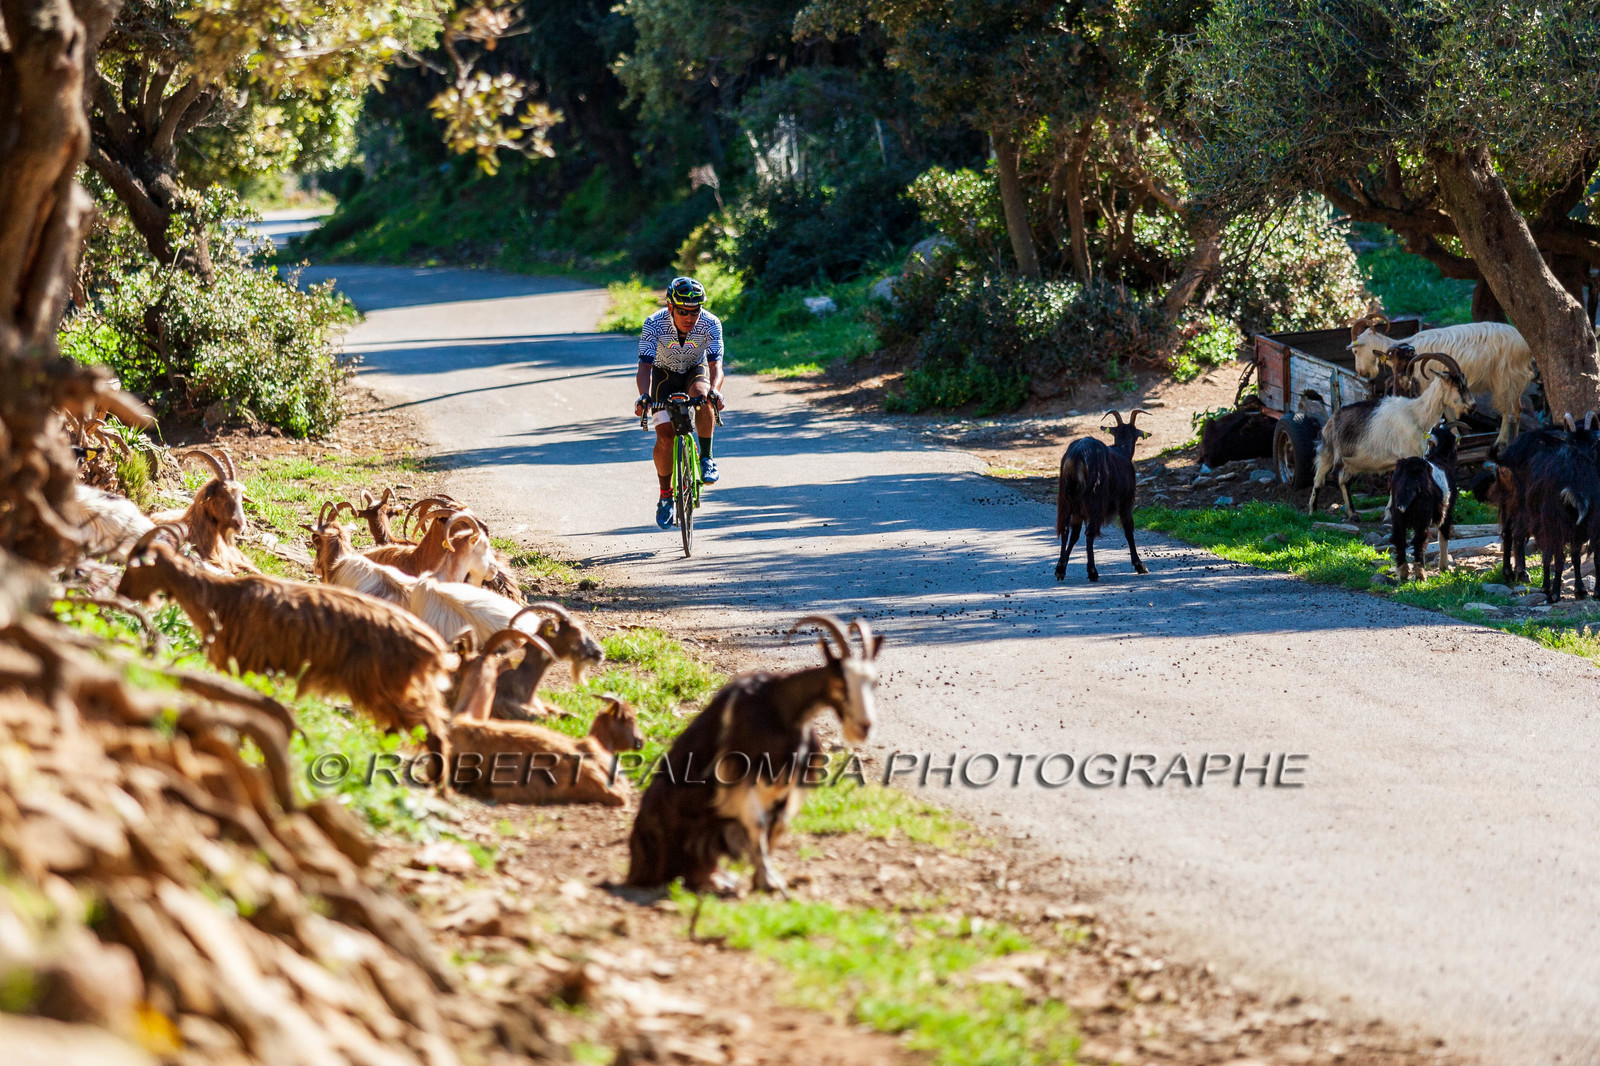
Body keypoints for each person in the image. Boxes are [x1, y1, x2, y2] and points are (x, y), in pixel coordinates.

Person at [633, 276, 726, 529]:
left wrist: (715, 391)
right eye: (683, 311)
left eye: (695, 311)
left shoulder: (710, 323)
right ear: (670, 307)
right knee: (665, 438)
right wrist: (644, 395)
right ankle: (666, 496)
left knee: (704, 395)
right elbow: (644, 366)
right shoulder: (654, 323)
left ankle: (706, 457)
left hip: (695, 370)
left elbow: (716, 365)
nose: (689, 317)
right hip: (664, 376)